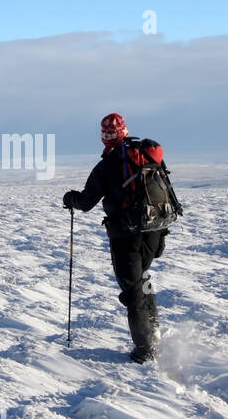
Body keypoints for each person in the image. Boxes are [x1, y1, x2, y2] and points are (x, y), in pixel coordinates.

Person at [62, 113, 170, 363]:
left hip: (126, 235)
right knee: (143, 277)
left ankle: (145, 349)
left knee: (132, 290)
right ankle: (153, 327)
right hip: (155, 230)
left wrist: (70, 199)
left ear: (104, 137)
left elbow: (87, 201)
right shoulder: (147, 155)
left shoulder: (108, 165)